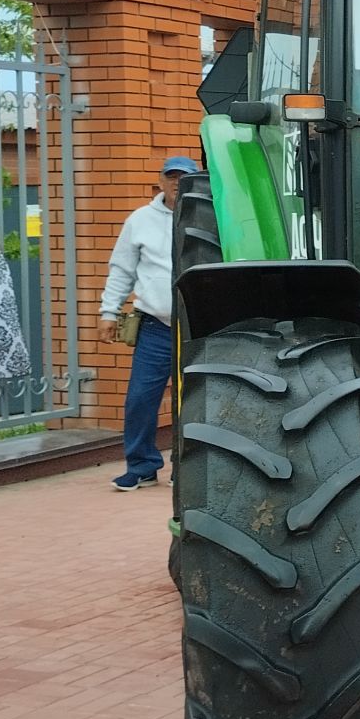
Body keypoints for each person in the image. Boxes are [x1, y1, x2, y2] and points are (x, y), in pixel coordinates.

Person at [98, 155, 199, 491]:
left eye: (183, 178)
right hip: (156, 327)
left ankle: (190, 469)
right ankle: (141, 466)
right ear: (160, 181)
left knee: (198, 400)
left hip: (200, 326)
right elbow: (122, 270)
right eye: (170, 177)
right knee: (140, 399)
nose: (176, 183)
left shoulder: (213, 216)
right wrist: (108, 313)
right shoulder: (140, 220)